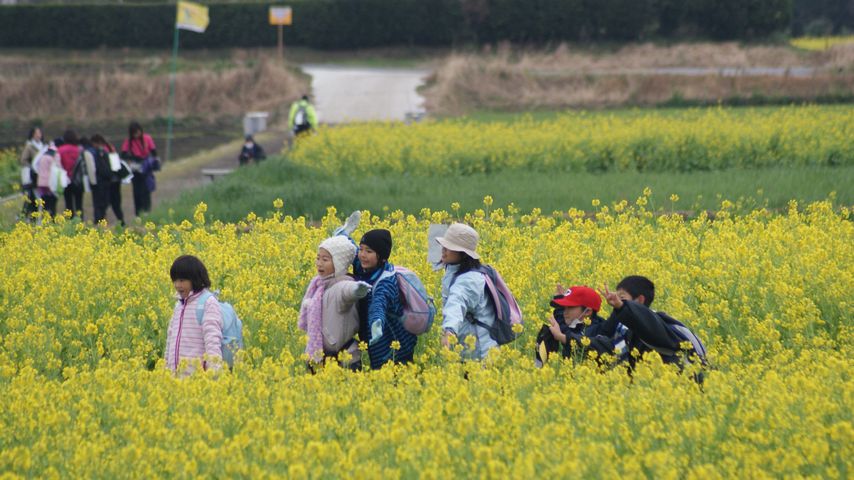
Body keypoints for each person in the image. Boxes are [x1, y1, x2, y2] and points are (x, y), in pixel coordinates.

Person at [597, 276, 708, 377]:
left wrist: (621, 306)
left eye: (622, 297)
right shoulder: (630, 331)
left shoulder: (655, 323)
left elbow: (643, 319)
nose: (617, 300)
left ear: (640, 300)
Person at [299, 235, 371, 371]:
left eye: (325, 259)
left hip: (345, 358)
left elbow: (346, 291)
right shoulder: (319, 284)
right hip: (323, 356)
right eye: (318, 258)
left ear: (338, 264)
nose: (319, 263)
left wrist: (356, 289)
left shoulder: (341, 285)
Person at [353, 228, 419, 370]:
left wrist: (377, 321)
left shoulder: (385, 281)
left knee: (397, 382)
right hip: (379, 344)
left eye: (369, 251)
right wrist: (344, 236)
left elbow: (379, 303)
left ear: (382, 257)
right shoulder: (367, 268)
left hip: (395, 346)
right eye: (361, 249)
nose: (362, 255)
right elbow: (353, 254)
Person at [437, 223, 498, 360]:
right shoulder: (457, 271)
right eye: (444, 245)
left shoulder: (469, 281)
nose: (443, 250)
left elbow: (456, 303)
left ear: (463, 254)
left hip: (480, 353)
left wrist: (449, 330)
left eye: (449, 247)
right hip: (471, 348)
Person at [165, 255, 223, 375]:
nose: (177, 285)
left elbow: (212, 341)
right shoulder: (179, 305)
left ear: (195, 279)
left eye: (182, 280)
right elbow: (170, 340)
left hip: (197, 379)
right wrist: (166, 369)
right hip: (174, 379)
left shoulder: (207, 302)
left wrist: (214, 374)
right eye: (175, 280)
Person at [534, 285, 609, 367]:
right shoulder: (574, 325)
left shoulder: (599, 330)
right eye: (564, 307)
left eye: (570, 307)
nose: (564, 312)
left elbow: (570, 335)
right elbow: (563, 326)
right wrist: (559, 300)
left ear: (587, 311)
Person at [120, 121, 160, 216]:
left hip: (146, 168)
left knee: (146, 190)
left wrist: (153, 162)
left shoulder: (147, 138)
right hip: (135, 169)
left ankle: (147, 211)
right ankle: (138, 213)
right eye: (134, 133)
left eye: (138, 132)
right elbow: (123, 154)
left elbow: (154, 152)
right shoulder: (128, 141)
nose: (137, 135)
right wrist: (134, 158)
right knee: (137, 192)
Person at [88, 134, 125, 226]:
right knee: (113, 203)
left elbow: (101, 168)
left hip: (106, 181)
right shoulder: (109, 148)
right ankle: (120, 221)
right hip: (113, 180)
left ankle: (101, 221)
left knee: (103, 203)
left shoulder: (100, 151)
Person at [18, 126, 44, 220]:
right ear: (33, 135)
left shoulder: (42, 146)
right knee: (31, 197)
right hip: (31, 176)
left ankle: (33, 217)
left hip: (39, 175)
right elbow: (23, 160)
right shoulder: (29, 147)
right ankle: (27, 216)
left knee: (36, 198)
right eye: (37, 133)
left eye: (40, 133)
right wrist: (33, 166)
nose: (39, 135)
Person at [57, 129, 83, 219]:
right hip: (78, 180)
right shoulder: (79, 150)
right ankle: (80, 221)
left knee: (68, 204)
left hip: (66, 180)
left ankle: (70, 222)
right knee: (79, 204)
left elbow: (58, 165)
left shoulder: (60, 150)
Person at [34, 140, 61, 217]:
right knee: (52, 204)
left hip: (41, 183)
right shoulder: (55, 156)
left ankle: (44, 221)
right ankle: (52, 220)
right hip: (50, 184)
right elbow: (58, 169)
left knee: (44, 204)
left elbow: (35, 165)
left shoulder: (42, 156)